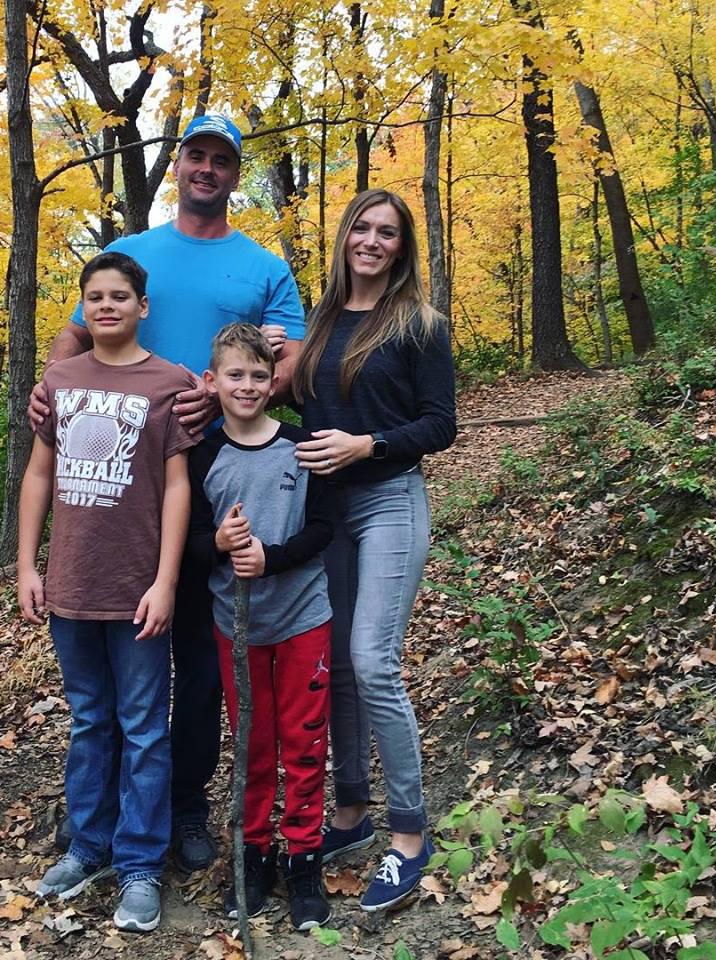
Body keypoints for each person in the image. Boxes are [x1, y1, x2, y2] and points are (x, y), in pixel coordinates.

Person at [29, 114, 305, 873]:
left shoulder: (262, 268)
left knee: (198, 656)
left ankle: (183, 806)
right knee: (121, 654)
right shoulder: (134, 257)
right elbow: (74, 337)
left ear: (234, 174)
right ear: (177, 162)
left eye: (222, 160)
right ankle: (104, 814)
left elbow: (291, 361)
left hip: (211, 472)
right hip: (115, 481)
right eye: (196, 155)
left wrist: (221, 397)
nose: (207, 169)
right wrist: (46, 391)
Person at [18, 252, 195, 931]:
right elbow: (39, 475)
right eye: (95, 296)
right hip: (70, 586)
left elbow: (178, 485)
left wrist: (165, 580)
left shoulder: (169, 383)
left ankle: (142, 865)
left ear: (142, 306)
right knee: (91, 719)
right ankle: (88, 845)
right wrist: (28, 568)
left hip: (137, 590)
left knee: (145, 728)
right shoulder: (60, 379)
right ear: (82, 308)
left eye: (120, 295)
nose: (107, 306)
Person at [292, 189, 457, 912]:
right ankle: (352, 814)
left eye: (387, 232)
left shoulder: (420, 325)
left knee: (373, 662)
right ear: (345, 236)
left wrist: (369, 444)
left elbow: (439, 423)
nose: (371, 240)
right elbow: (319, 408)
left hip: (391, 500)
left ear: (401, 247)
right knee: (340, 673)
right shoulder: (321, 319)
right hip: (328, 512)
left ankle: (410, 836)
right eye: (362, 226)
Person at [188, 323, 339, 931]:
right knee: (252, 741)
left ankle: (303, 854)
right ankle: (254, 852)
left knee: (303, 741)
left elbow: (325, 527)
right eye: (235, 375)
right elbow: (190, 541)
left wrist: (271, 557)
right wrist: (220, 544)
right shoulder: (202, 453)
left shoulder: (303, 446)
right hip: (237, 627)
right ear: (212, 381)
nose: (247, 386)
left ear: (273, 380)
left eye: (258, 375)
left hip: (303, 619)